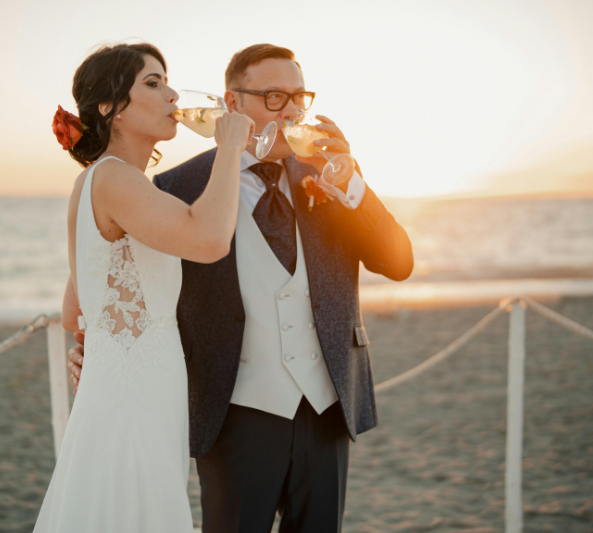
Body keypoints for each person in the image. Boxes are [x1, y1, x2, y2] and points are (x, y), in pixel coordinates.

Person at [68, 43, 414, 532]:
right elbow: (105, 282)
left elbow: (399, 262)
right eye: (274, 96)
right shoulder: (171, 188)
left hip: (327, 407)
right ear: (231, 105)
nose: (292, 109)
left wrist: (352, 184)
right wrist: (97, 347)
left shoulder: (329, 175)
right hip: (232, 415)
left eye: (300, 96)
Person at [33, 42, 254, 532]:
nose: (173, 95)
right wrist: (231, 146)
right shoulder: (114, 178)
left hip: (130, 388)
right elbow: (210, 236)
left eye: (167, 81)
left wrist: (106, 345)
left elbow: (76, 311)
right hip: (135, 399)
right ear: (110, 107)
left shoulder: (106, 182)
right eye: (153, 83)